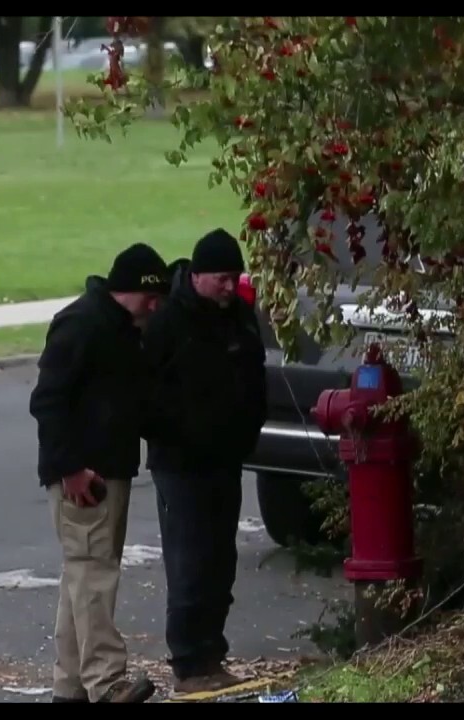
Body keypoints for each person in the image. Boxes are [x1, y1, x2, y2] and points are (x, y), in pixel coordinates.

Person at [28, 242, 171, 704]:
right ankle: (108, 682)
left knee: (82, 577)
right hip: (83, 477)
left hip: (108, 470)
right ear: (140, 292)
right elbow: (48, 401)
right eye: (155, 297)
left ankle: (70, 686)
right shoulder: (82, 324)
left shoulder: (122, 329)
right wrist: (69, 468)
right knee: (94, 573)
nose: (158, 307)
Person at [142, 228, 268, 694]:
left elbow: (255, 379)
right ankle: (190, 664)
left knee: (221, 560)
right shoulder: (169, 323)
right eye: (221, 278)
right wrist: (179, 432)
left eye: (234, 277)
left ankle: (212, 653)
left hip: (225, 459)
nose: (229, 287)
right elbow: (145, 394)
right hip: (180, 464)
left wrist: (246, 432)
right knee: (190, 561)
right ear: (196, 277)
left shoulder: (239, 319)